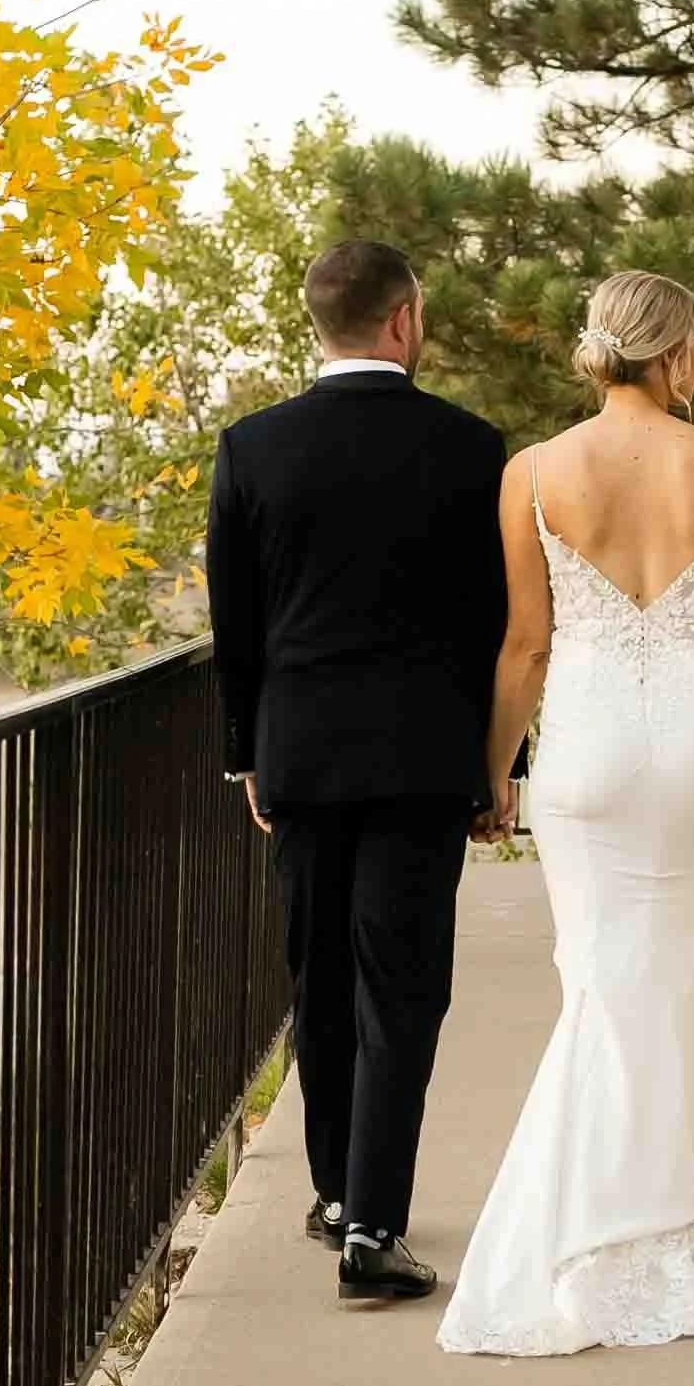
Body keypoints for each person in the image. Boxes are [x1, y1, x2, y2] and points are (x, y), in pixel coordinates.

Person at [437, 270, 694, 1358]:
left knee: (598, 974)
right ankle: (628, 1218)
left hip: (583, 746)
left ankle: (639, 1198)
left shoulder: (531, 471)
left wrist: (496, 771)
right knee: (672, 970)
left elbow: (524, 646)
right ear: (677, 352)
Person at [206, 240, 509, 1305]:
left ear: (315, 322)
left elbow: (232, 626)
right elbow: (497, 624)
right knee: (402, 986)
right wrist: (499, 759)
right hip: (425, 760)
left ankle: (337, 1192)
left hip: (300, 754)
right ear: (404, 318)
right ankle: (372, 1223)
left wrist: (245, 751)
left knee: (316, 976)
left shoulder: (251, 449)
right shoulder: (473, 449)